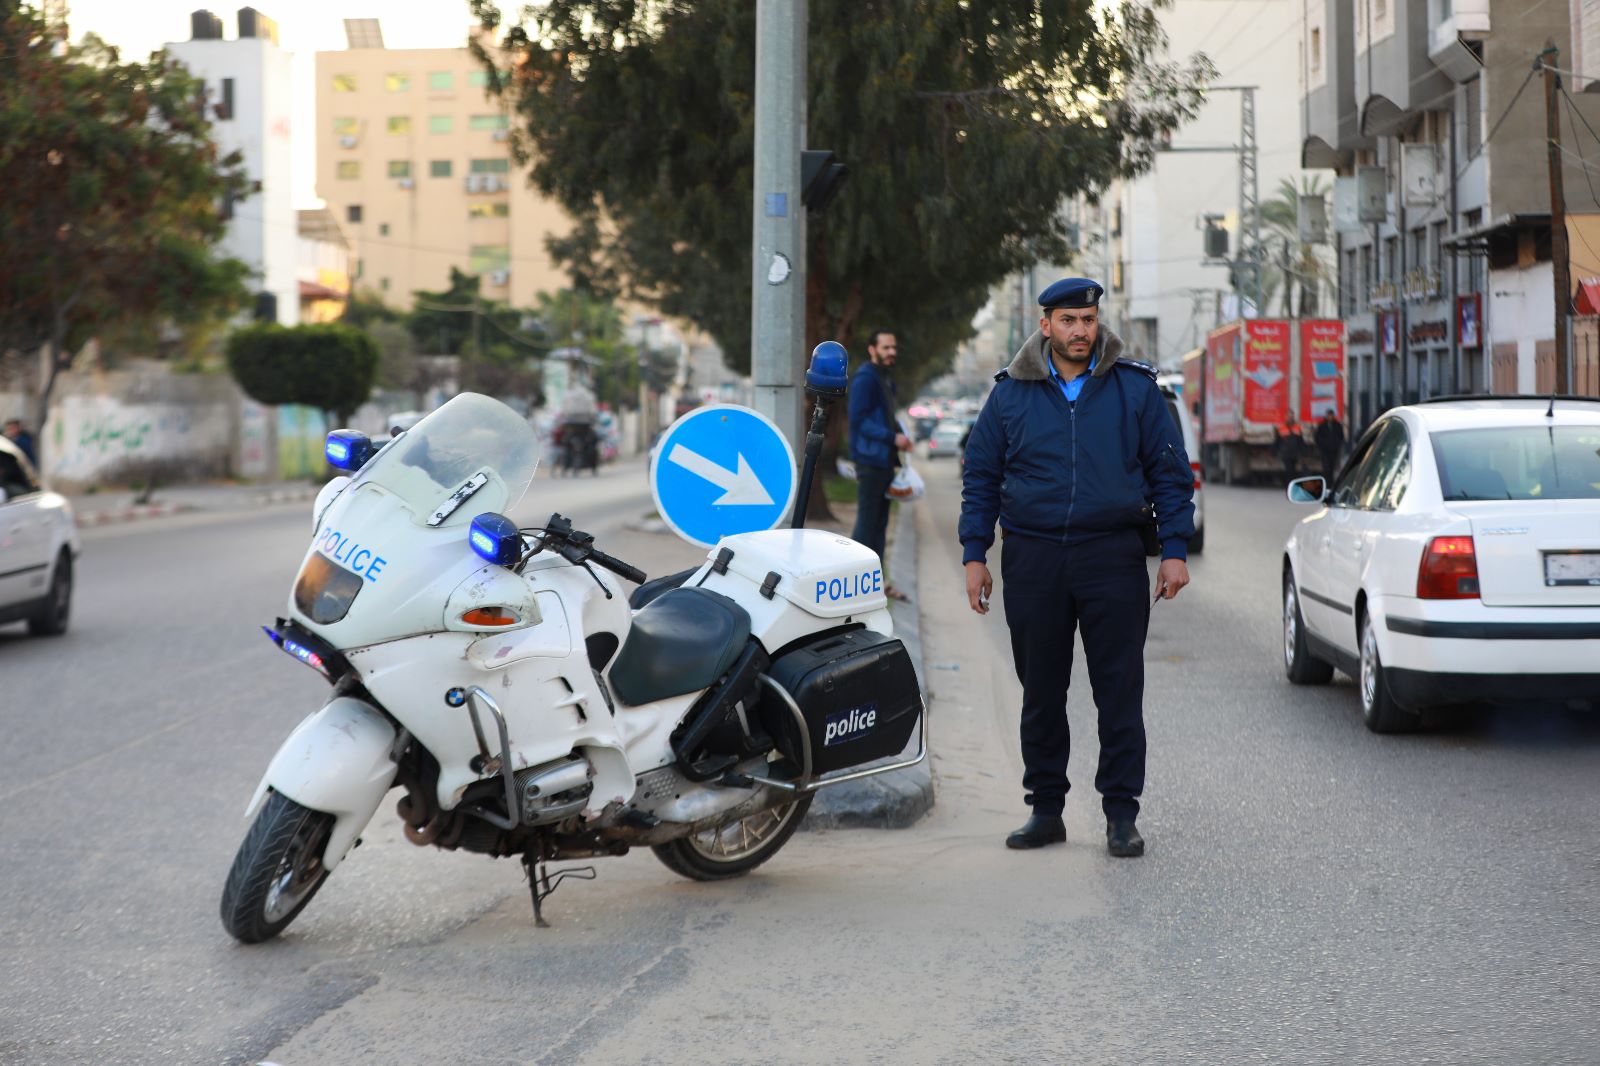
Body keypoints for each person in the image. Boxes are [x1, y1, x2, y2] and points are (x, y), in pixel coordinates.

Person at [959, 278, 1195, 857]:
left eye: (1088, 320)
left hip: (1111, 556)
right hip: (1034, 558)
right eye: (1068, 321)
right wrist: (974, 554)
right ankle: (1045, 810)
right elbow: (981, 477)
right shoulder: (1010, 393)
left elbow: (1169, 474)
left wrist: (1175, 550)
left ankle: (1121, 814)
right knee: (1041, 691)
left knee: (1119, 691)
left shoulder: (1133, 390)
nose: (1080, 332)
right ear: (1046, 326)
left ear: (1098, 323)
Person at [849, 329, 911, 602]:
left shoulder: (883, 379)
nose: (891, 352)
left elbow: (884, 418)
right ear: (872, 349)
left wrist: (899, 434)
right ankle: (855, 583)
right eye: (886, 347)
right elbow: (858, 421)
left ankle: (877, 584)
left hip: (883, 461)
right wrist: (892, 437)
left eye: (893, 347)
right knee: (866, 526)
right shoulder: (866, 379)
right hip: (870, 461)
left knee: (879, 525)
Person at [1314, 411, 1345, 483]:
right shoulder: (1322, 425)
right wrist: (1322, 445)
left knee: (1332, 467)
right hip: (1325, 451)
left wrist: (1337, 444)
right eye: (1328, 415)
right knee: (1326, 468)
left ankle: (1331, 483)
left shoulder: (1337, 425)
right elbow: (1317, 437)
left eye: (1331, 415)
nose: (1330, 417)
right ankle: (1327, 482)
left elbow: (1341, 437)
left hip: (1334, 451)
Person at [1276, 417, 1306, 483]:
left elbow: (1301, 442)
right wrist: (1274, 451)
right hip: (1286, 454)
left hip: (1294, 454)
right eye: (1288, 417)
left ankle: (1291, 484)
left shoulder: (1297, 428)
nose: (1290, 419)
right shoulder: (1281, 428)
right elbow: (1277, 441)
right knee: (1289, 470)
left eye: (1291, 417)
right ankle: (1288, 485)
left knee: (1293, 471)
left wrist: (1303, 452)